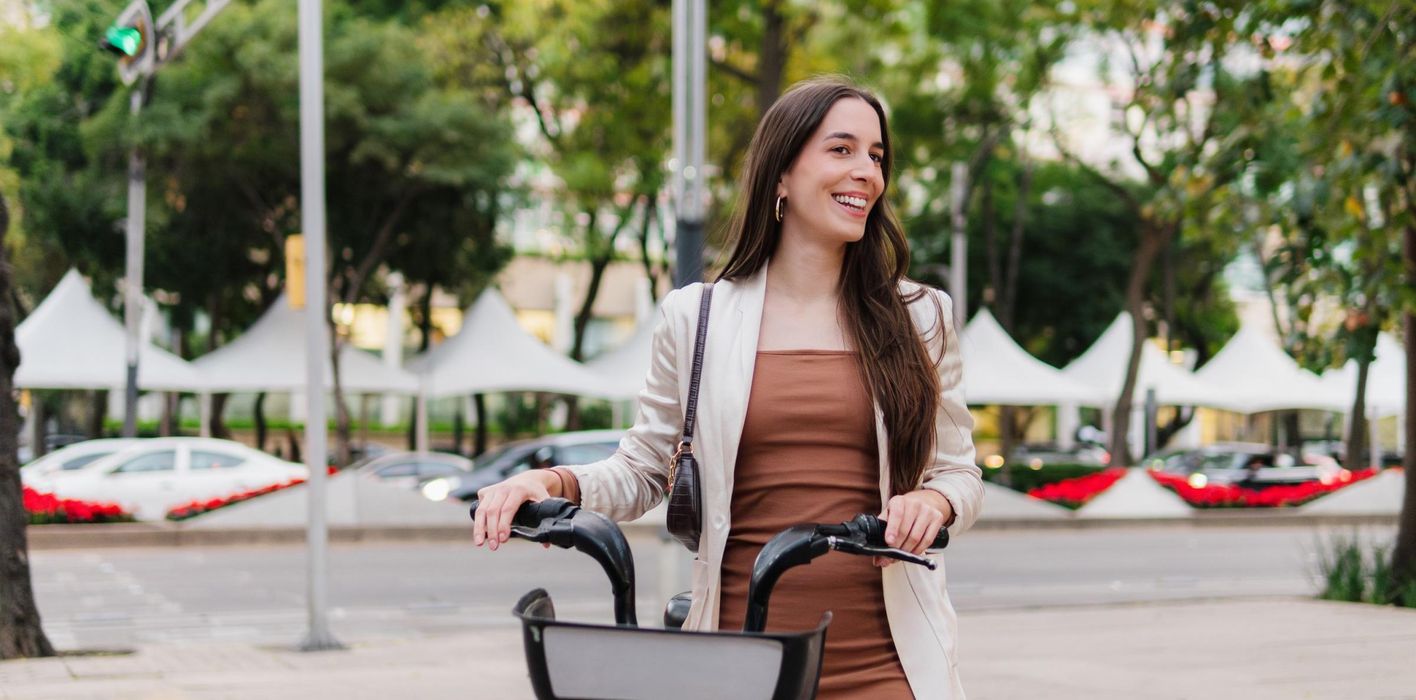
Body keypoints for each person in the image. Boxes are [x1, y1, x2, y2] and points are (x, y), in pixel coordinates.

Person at [473, 76, 983, 699]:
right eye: (842, 149)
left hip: (888, 665)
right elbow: (643, 469)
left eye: (876, 157)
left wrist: (933, 505)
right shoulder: (698, 318)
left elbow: (958, 472)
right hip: (741, 662)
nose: (867, 173)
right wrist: (550, 483)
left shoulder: (920, 316)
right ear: (782, 176)